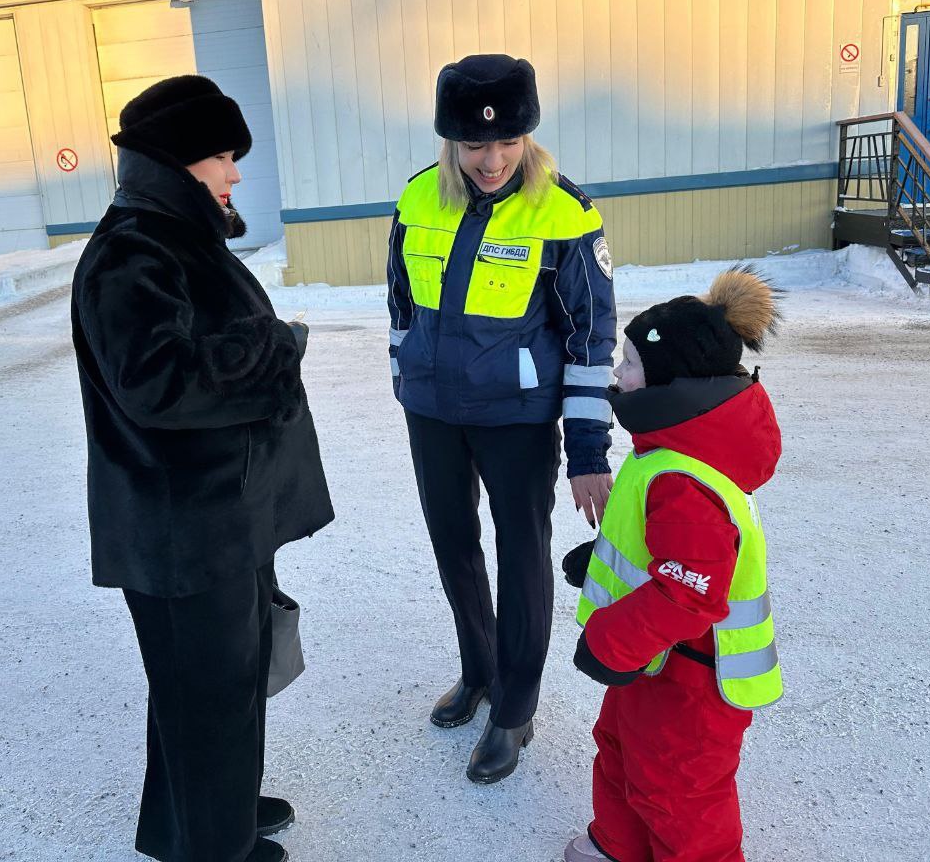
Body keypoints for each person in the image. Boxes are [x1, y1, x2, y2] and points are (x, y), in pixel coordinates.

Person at [71, 75, 334, 862]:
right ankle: (214, 847)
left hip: (220, 515)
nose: (236, 173)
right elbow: (156, 382)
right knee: (207, 693)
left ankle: (197, 816)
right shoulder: (132, 249)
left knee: (214, 686)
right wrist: (271, 346)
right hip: (181, 530)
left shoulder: (175, 235)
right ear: (181, 162)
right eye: (224, 157)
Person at [387, 54, 618, 784]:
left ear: (527, 134)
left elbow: (590, 338)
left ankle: (515, 709)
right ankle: (479, 671)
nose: (491, 160)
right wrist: (407, 381)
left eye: (506, 142)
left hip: (517, 419)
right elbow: (401, 305)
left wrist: (586, 451)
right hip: (433, 414)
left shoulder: (565, 214)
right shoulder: (419, 199)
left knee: (521, 557)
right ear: (450, 142)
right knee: (454, 547)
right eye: (474, 145)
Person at [566, 266, 785, 862]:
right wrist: (602, 560)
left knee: (680, 790)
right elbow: (664, 548)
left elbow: (689, 592)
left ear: (670, 378)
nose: (617, 373)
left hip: (693, 679)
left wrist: (610, 640)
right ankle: (620, 844)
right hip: (655, 664)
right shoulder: (667, 448)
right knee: (619, 750)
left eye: (630, 362)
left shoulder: (687, 480)